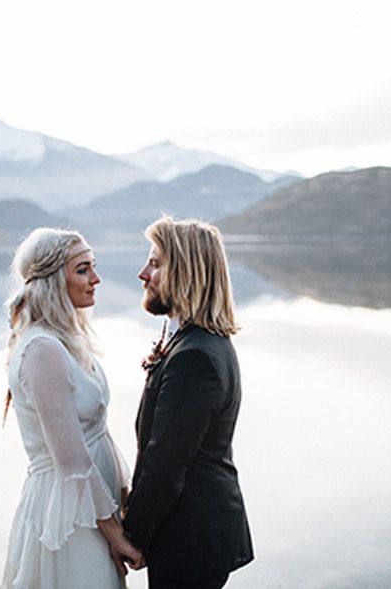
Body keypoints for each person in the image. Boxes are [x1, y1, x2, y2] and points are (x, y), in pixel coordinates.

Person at [0, 227, 144, 589]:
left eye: (93, 267)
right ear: (51, 280)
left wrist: (123, 500)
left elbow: (99, 436)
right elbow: (72, 460)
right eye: (82, 269)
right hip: (69, 515)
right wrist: (116, 535)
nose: (95, 279)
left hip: (95, 507)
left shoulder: (69, 341)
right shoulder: (42, 350)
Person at [121, 216, 254, 589]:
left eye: (155, 263)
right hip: (192, 532)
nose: (143, 274)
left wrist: (131, 536)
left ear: (186, 272)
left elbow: (166, 463)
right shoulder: (197, 342)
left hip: (190, 538)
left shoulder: (195, 357)